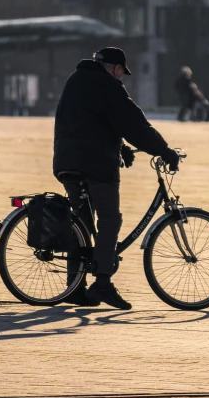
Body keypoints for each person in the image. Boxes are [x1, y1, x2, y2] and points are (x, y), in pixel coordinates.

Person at [53, 47, 180, 310]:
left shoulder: (76, 79)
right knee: (110, 218)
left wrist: (120, 147)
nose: (122, 78)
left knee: (81, 223)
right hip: (95, 164)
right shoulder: (109, 86)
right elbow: (134, 123)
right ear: (116, 68)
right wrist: (164, 151)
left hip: (66, 160)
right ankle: (102, 283)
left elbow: (89, 120)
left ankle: (73, 287)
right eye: (122, 72)